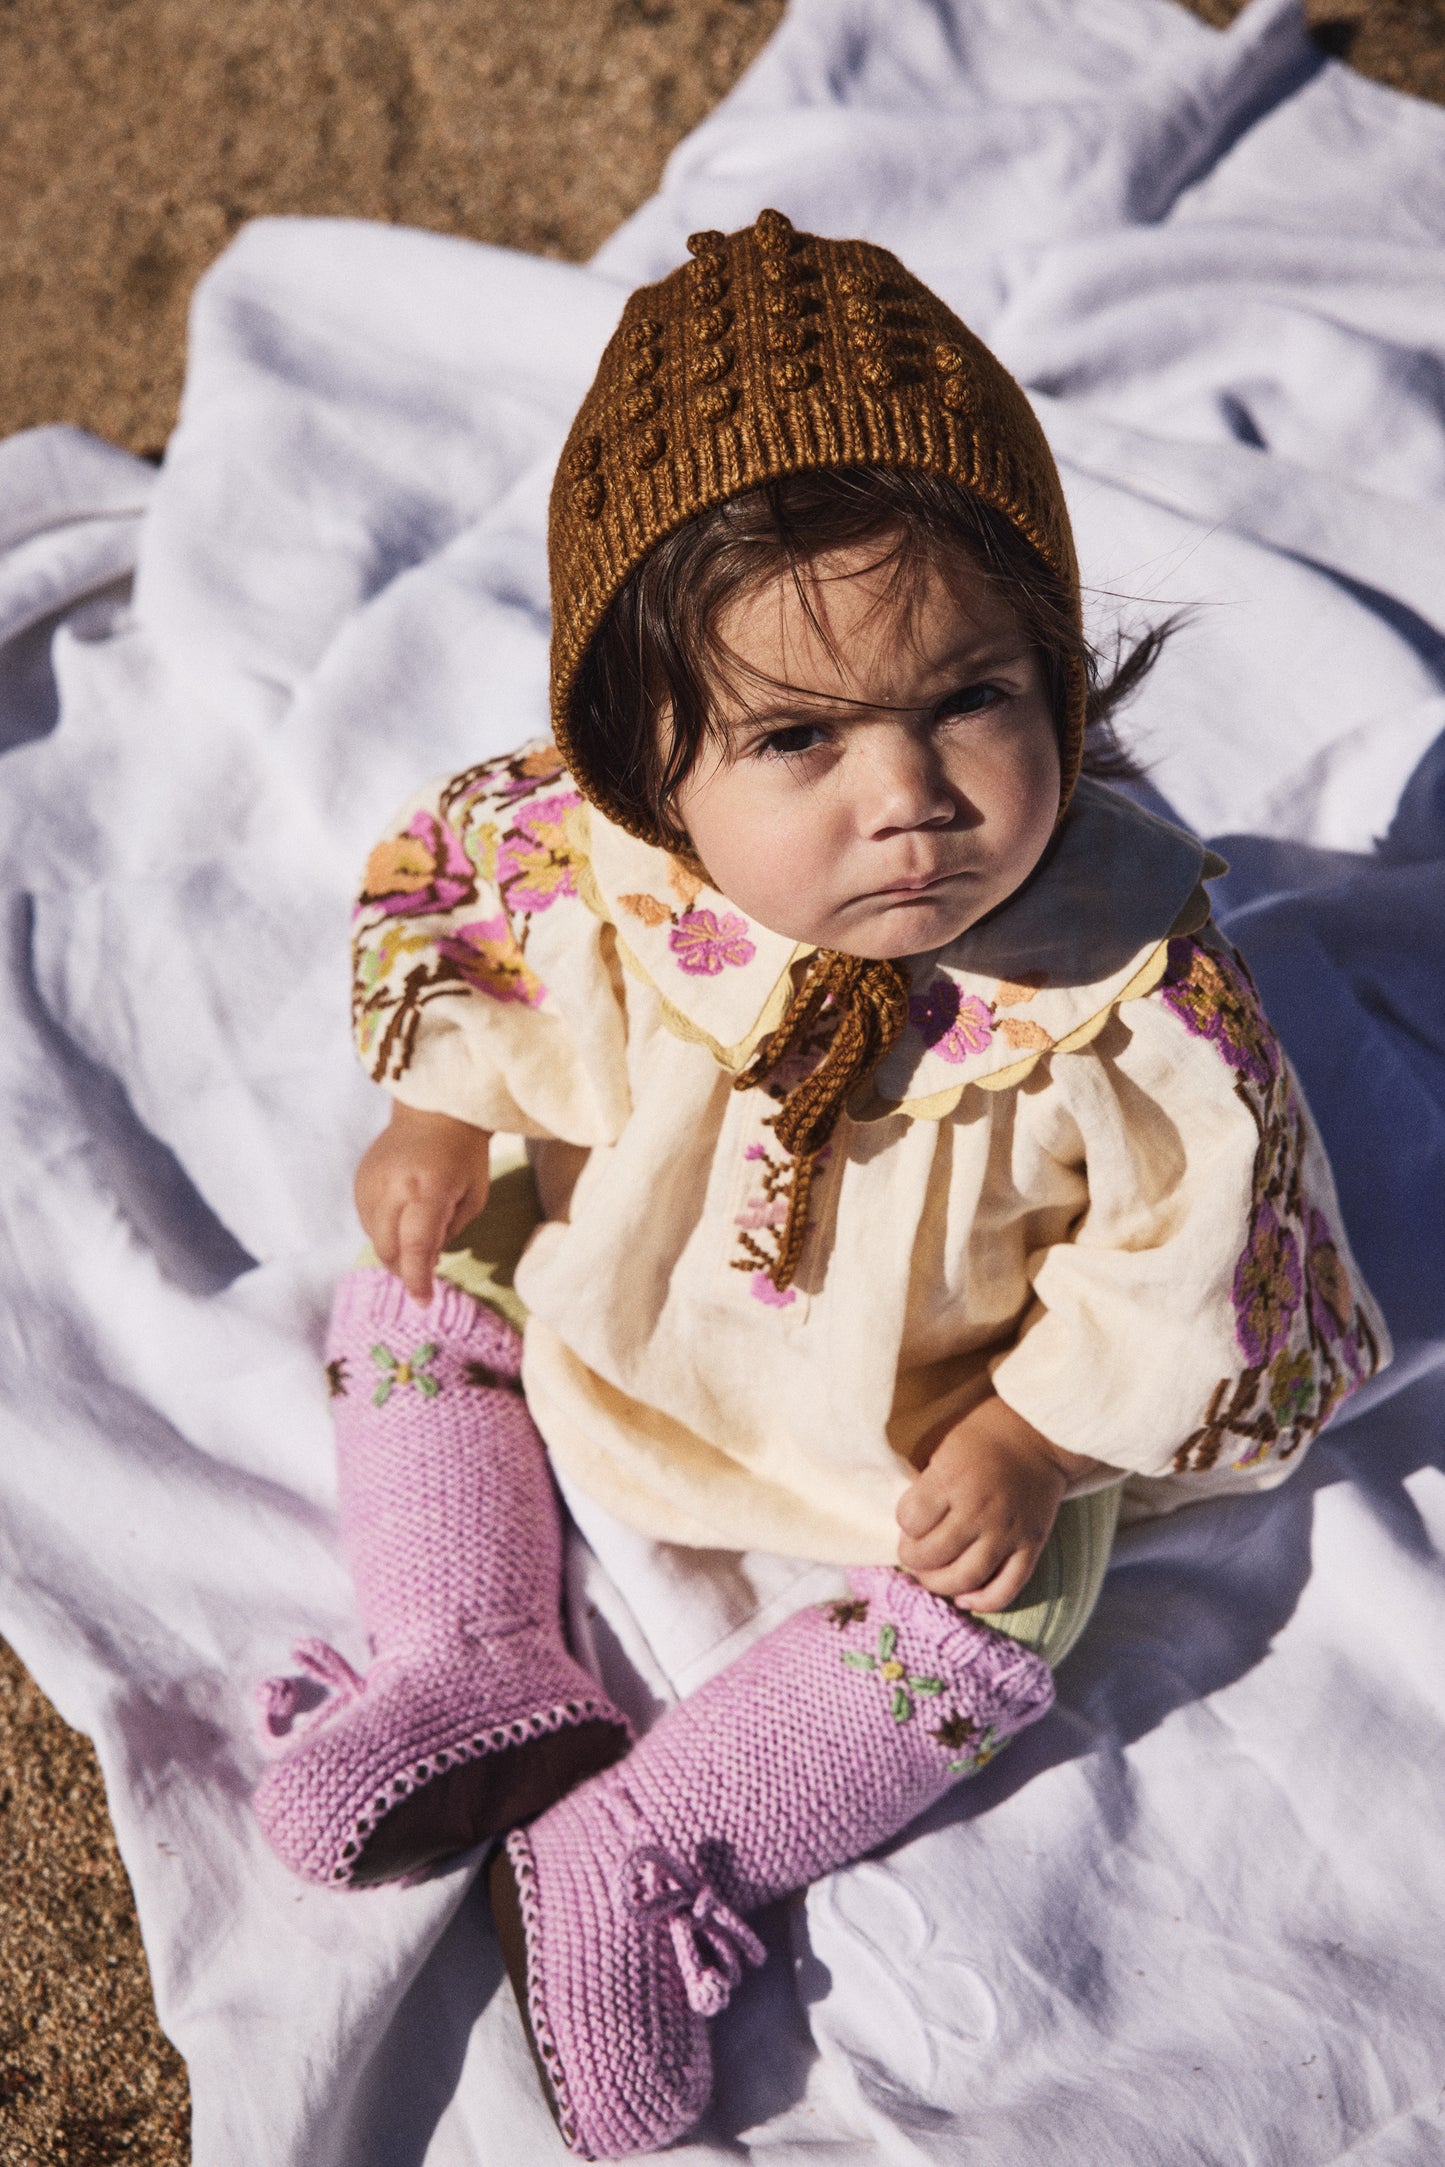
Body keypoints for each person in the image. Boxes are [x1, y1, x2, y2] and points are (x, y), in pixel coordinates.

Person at [253, 210, 1387, 2156]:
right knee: (425, 1272)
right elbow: (492, 942)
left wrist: (1035, 1433)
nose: (912, 794)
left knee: (1019, 1612)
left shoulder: (1118, 983)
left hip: (920, 1403)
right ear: (647, 758)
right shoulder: (608, 859)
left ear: (1059, 664)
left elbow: (1193, 1251)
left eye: (972, 696)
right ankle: (469, 1644)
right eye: (798, 734)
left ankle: (653, 1837)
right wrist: (442, 1115)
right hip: (646, 1283)